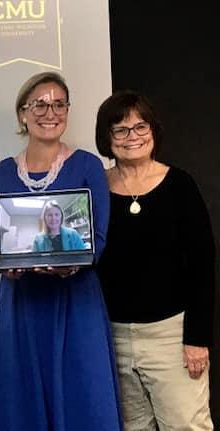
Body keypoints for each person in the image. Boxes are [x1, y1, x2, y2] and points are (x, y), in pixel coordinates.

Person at [0, 71, 122, 430]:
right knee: (24, 405)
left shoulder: (88, 166)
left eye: (59, 104)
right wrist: (3, 263)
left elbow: (99, 240)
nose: (50, 112)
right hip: (23, 307)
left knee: (84, 400)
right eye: (40, 104)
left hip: (77, 304)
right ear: (22, 114)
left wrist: (72, 265)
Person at [95, 90, 215, 430]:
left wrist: (197, 339)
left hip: (171, 338)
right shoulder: (96, 190)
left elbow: (203, 266)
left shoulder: (180, 186)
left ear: (153, 131)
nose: (131, 137)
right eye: (120, 129)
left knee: (186, 425)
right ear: (107, 138)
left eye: (140, 127)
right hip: (113, 338)